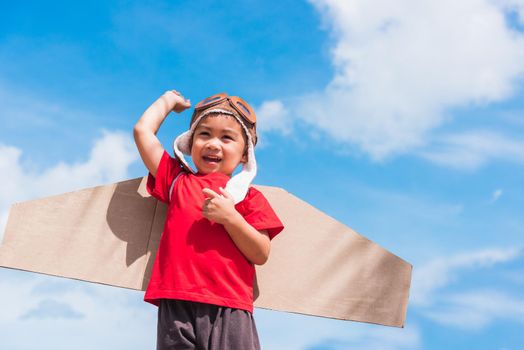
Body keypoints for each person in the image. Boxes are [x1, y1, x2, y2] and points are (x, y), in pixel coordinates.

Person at [133, 90, 284, 350]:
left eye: (227, 137)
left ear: (245, 154)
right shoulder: (176, 181)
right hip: (175, 302)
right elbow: (142, 132)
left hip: (229, 305)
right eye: (204, 134)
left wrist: (231, 218)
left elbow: (261, 253)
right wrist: (168, 100)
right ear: (190, 144)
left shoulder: (248, 196)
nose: (213, 144)